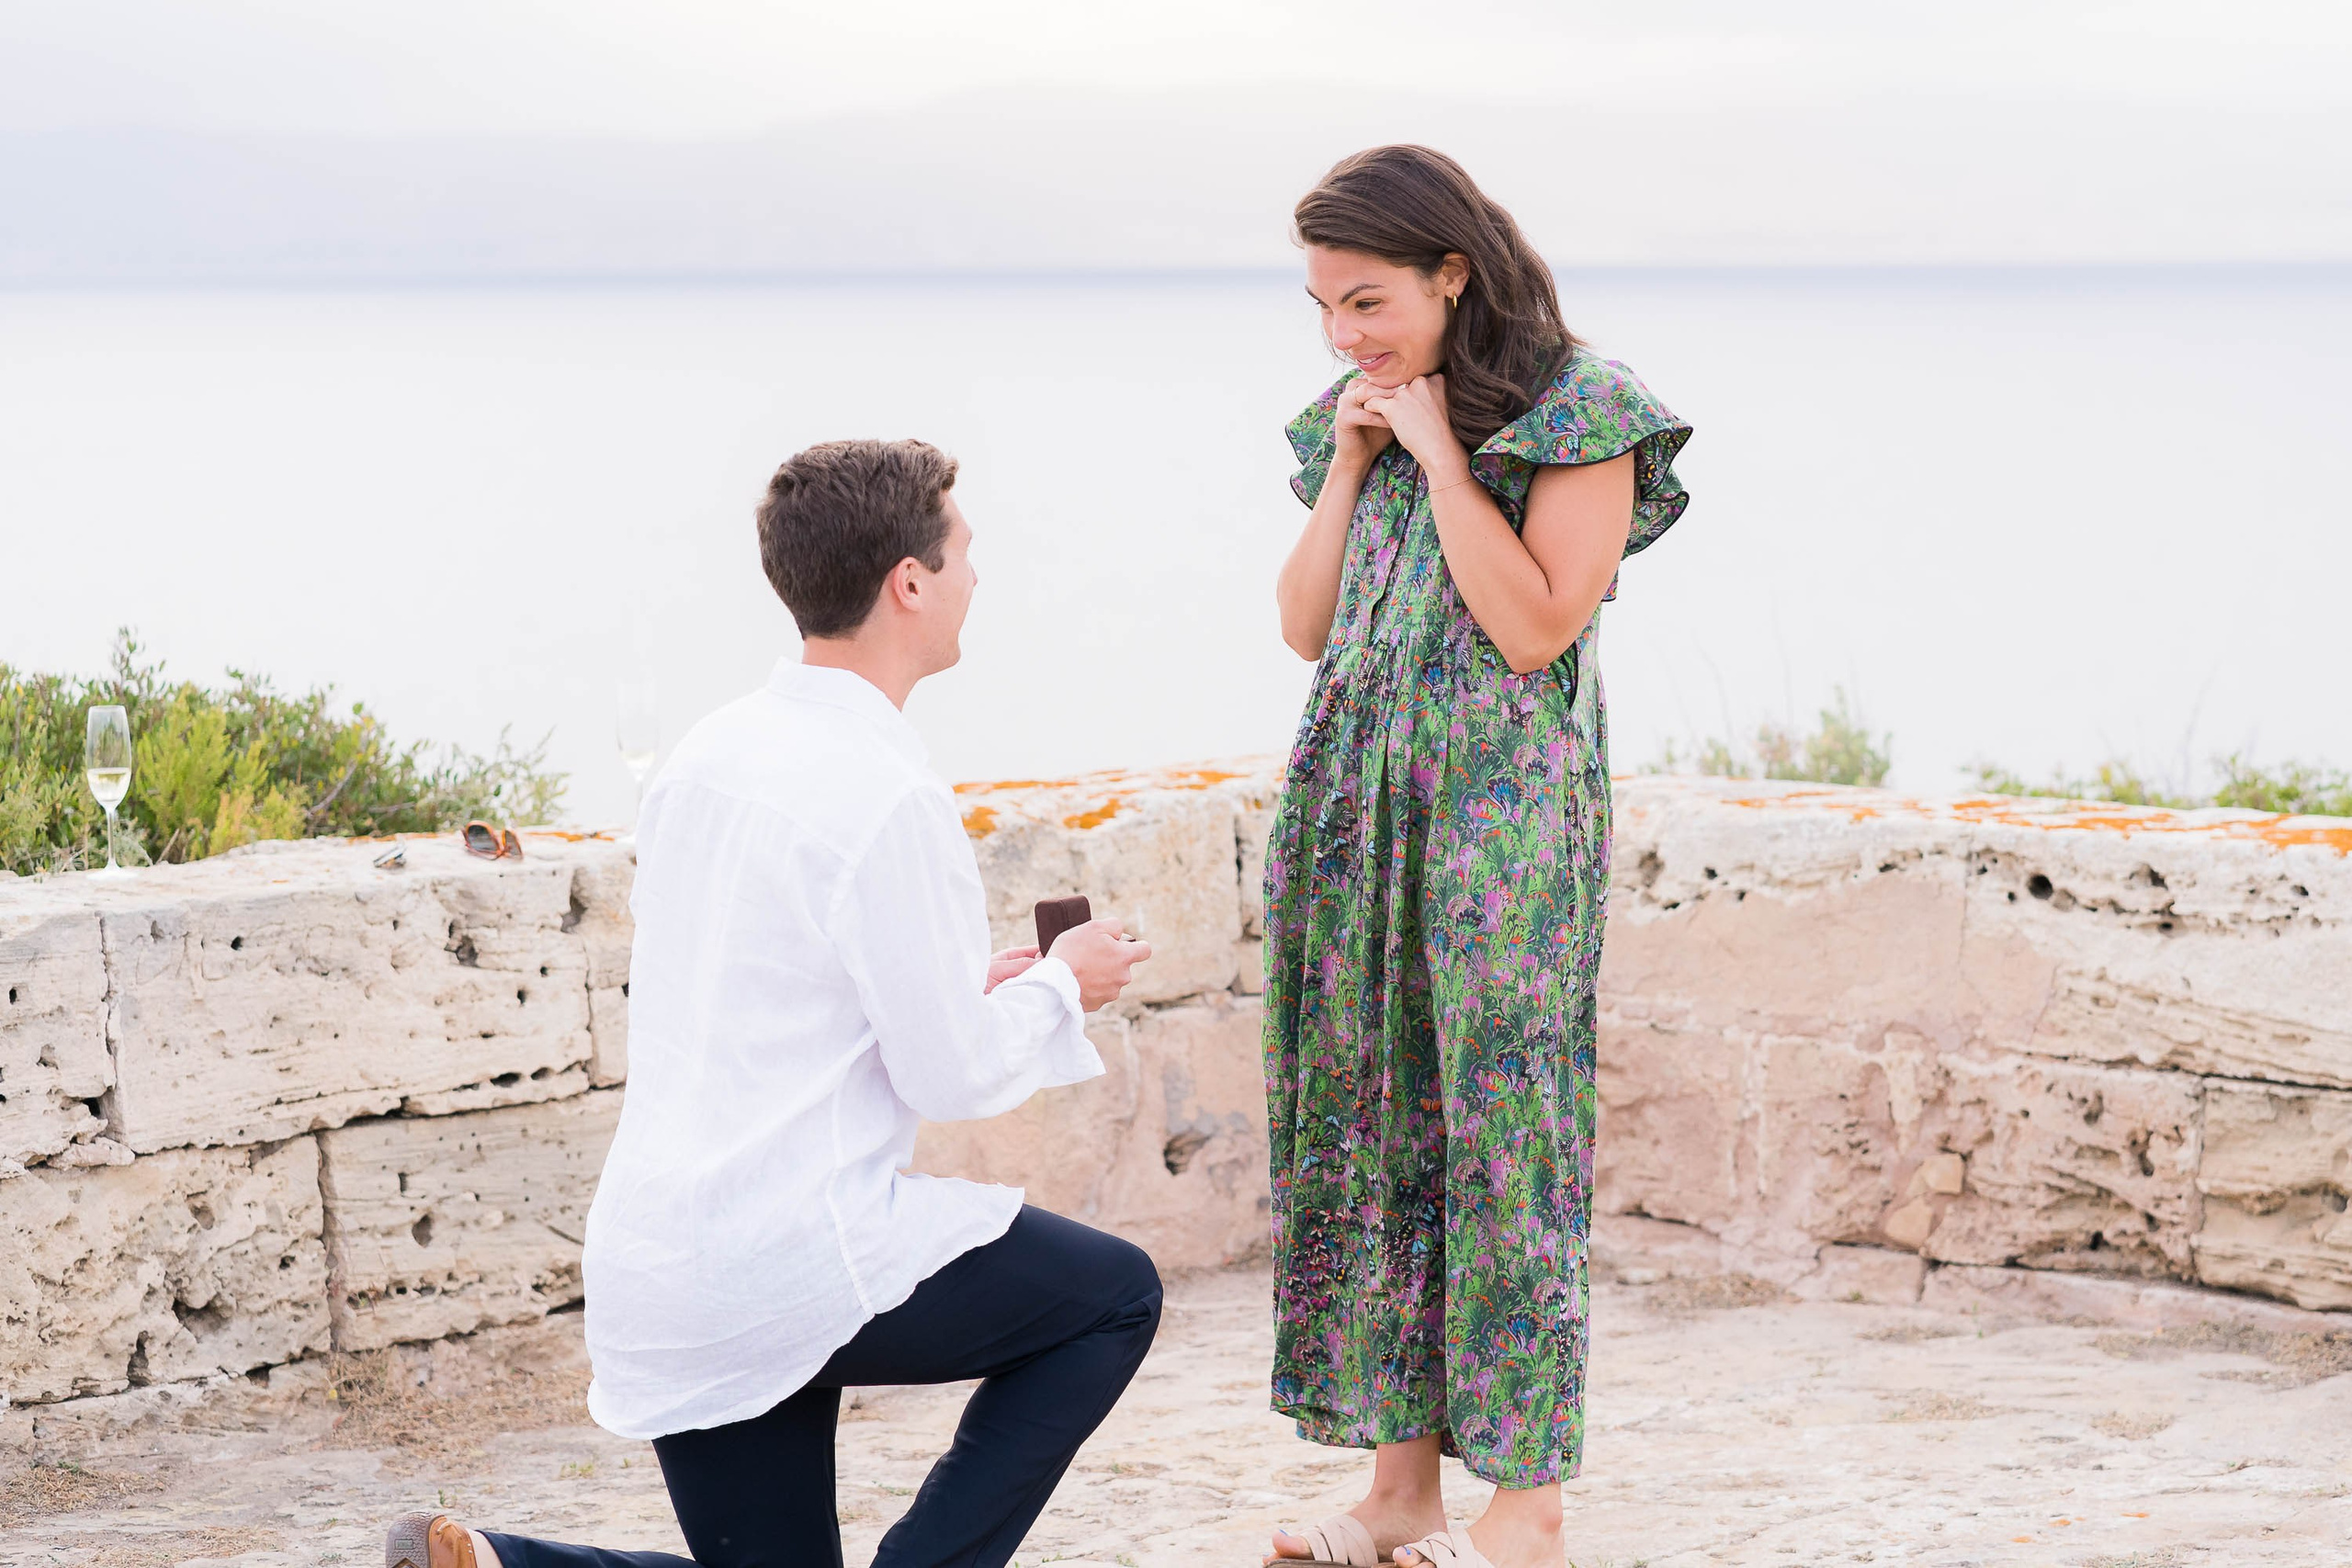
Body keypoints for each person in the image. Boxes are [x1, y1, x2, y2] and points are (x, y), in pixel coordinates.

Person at [387, 438, 1159, 1568]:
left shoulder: (710, 752)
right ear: (908, 581)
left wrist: (974, 988)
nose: (975, 579)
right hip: (792, 1252)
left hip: (665, 1255)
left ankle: (498, 1564)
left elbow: (782, 990)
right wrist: (1058, 982)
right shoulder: (890, 790)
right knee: (1112, 1296)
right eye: (963, 554)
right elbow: (949, 1077)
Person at [1259, 147, 1693, 1568]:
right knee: (1381, 1138)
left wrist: (1445, 458)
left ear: (1453, 270)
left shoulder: (1585, 412)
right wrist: (1351, 461)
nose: (1345, 336)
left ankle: (1528, 1510)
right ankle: (1399, 1492)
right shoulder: (1361, 410)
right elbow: (1306, 624)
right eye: (1326, 306)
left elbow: (1534, 625)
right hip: (1359, 813)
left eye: (1368, 300)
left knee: (1507, 1146)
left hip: (1503, 827)